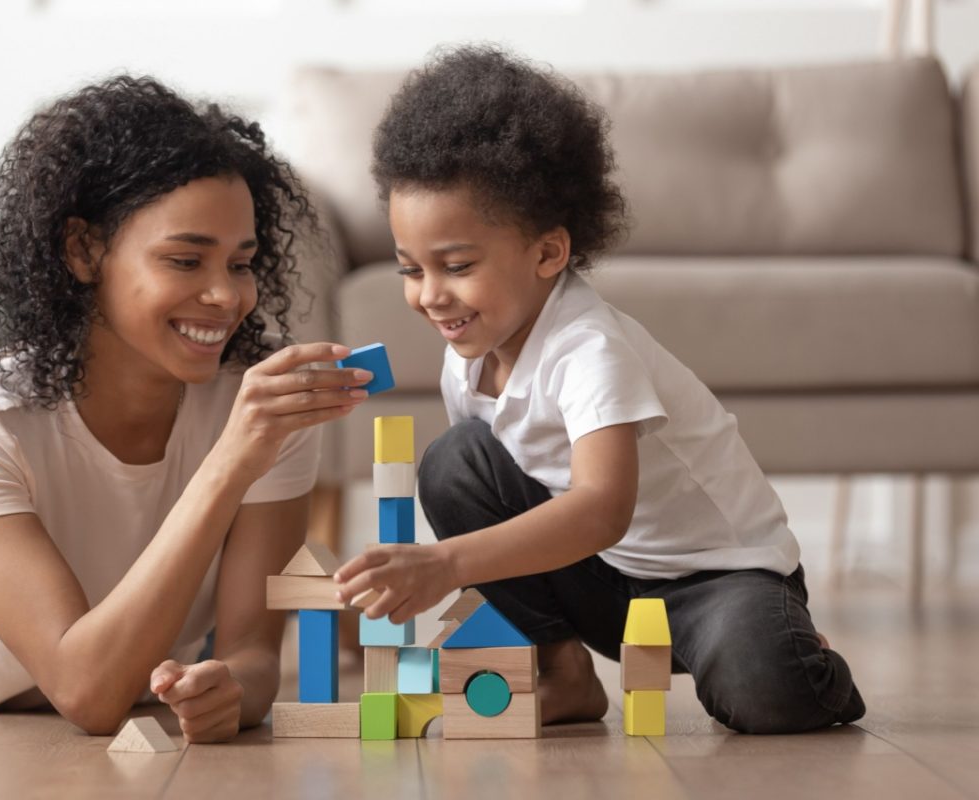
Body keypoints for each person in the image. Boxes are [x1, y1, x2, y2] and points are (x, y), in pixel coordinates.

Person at [0, 75, 372, 741]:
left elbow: (253, 653)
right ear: (83, 251)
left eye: (241, 264)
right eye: (184, 260)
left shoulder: (261, 410)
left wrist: (234, 688)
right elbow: (89, 695)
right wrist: (230, 464)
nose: (226, 296)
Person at [333, 46, 866, 735]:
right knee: (455, 461)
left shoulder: (590, 350)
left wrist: (443, 564)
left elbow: (599, 509)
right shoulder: (469, 354)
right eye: (411, 269)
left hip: (715, 583)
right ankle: (563, 674)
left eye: (457, 266)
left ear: (549, 253)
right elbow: (505, 506)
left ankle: (806, 658)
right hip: (595, 581)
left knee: (765, 692)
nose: (430, 296)